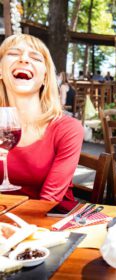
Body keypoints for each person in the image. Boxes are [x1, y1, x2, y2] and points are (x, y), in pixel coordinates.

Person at [0, 34, 84, 202]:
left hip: (51, 222)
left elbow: (48, 201)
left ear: (45, 77)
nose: (23, 59)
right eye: (14, 53)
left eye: (35, 57)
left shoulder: (68, 129)